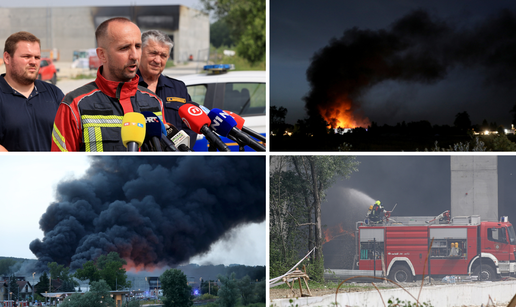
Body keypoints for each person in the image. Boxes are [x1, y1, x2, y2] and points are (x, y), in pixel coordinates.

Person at [51, 17, 165, 151]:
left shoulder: (155, 101)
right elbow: (62, 165)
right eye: (124, 48)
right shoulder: (74, 104)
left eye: (138, 46)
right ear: (102, 55)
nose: (134, 56)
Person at [0, 31, 64, 151]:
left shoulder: (54, 94)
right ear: (7, 58)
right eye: (26, 56)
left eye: (37, 57)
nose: (33, 62)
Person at [136, 30, 197, 149]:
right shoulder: (126, 87)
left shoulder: (178, 88)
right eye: (153, 53)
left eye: (163, 55)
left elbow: (191, 126)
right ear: (140, 52)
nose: (158, 60)